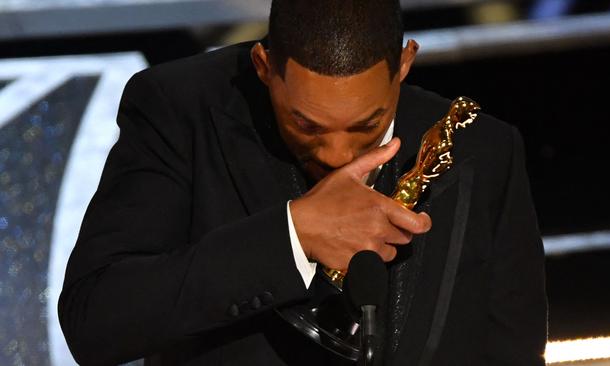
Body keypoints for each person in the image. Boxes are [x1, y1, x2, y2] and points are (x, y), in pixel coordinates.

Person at [58, 0, 547, 365]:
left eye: (366, 125)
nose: (336, 153)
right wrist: (291, 236)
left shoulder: (481, 148)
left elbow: (512, 349)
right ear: (264, 67)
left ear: (404, 65)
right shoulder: (181, 110)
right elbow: (96, 319)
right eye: (307, 125)